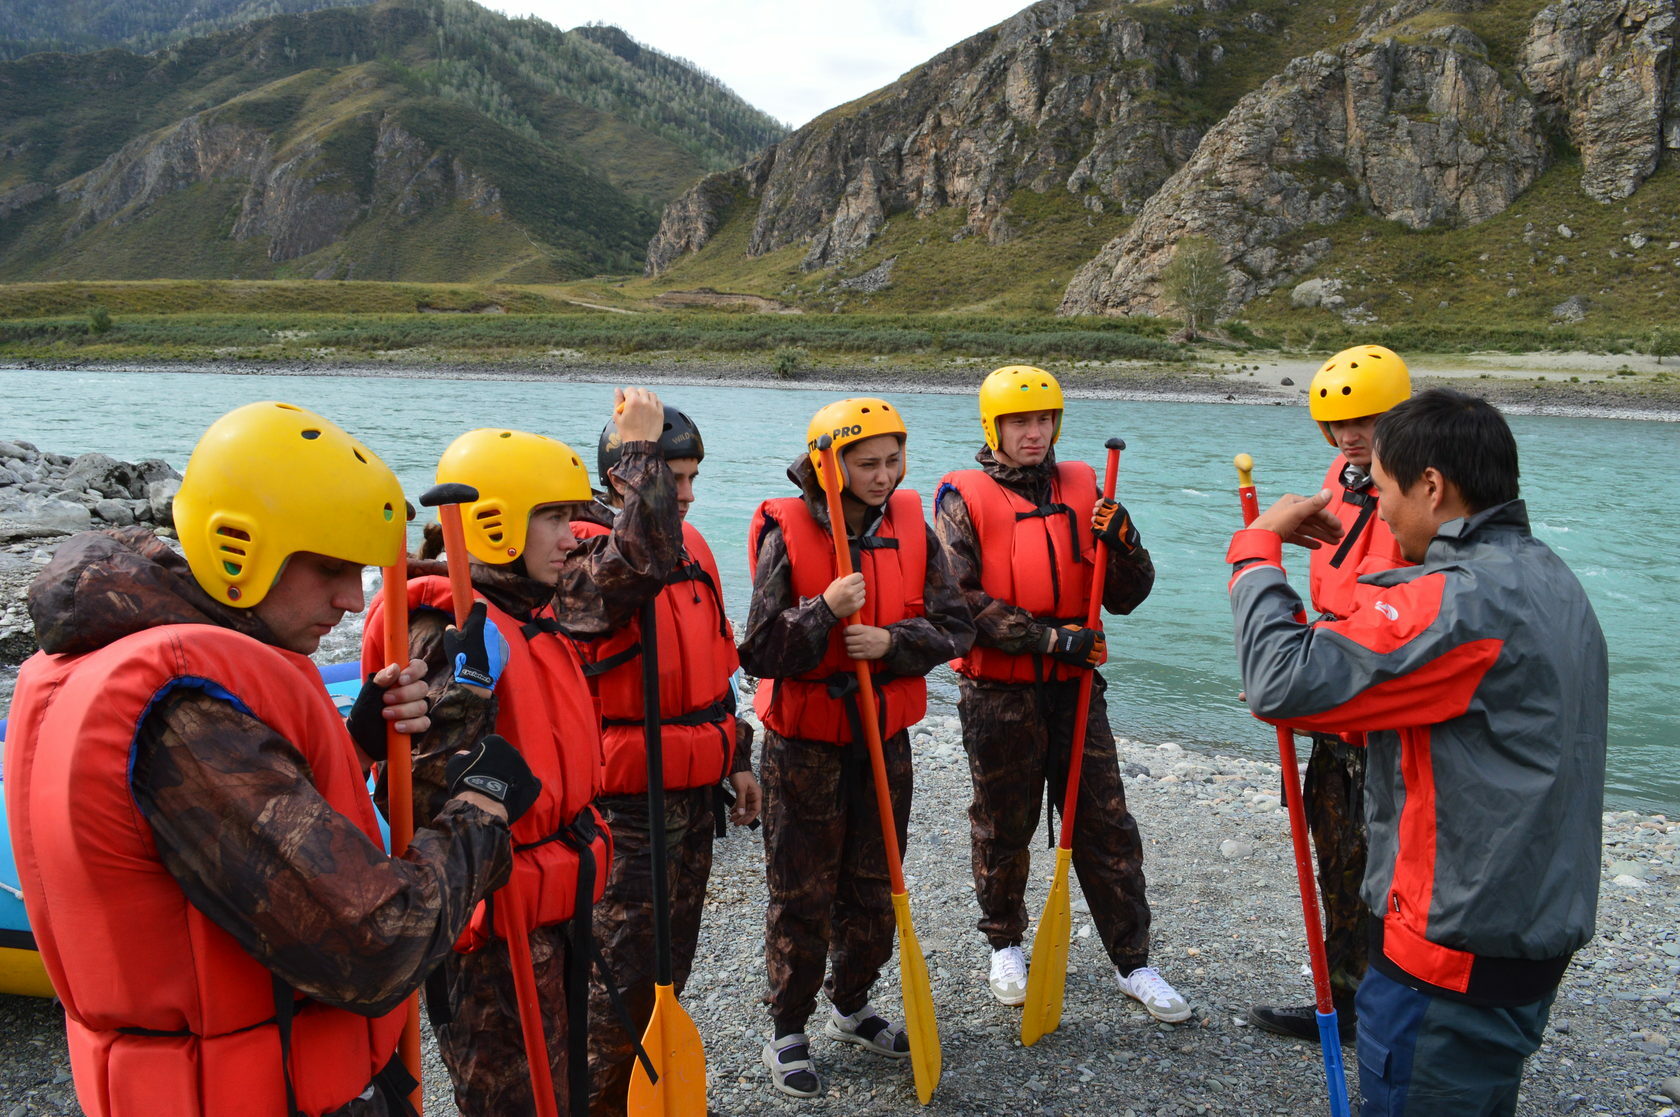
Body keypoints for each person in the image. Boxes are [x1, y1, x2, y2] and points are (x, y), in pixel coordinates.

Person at [5, 401, 535, 1117]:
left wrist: (357, 741)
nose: (354, 600)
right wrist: (482, 808)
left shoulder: (138, 656)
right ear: (238, 548)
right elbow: (376, 943)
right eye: (329, 569)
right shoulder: (187, 718)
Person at [1228, 388, 1607, 1116]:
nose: (1378, 508)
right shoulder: (1550, 578)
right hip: (1523, 924)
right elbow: (1480, 719)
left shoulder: (1461, 597)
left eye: (1385, 489)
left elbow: (1277, 680)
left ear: (1432, 486)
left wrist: (1255, 550)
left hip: (1449, 944)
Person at [362, 388, 682, 1117]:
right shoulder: (444, 631)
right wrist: (460, 712)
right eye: (551, 517)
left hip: (552, 904)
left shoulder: (531, 603)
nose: (573, 534)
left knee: (560, 1091)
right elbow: (413, 793)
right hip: (491, 927)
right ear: (493, 523)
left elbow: (639, 560)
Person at [932, 365, 1188, 1022]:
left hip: (1076, 693)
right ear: (994, 427)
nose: (1034, 432)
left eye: (1044, 419)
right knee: (1003, 824)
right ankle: (1006, 944)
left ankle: (1134, 959)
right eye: (1020, 421)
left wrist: (1124, 542)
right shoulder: (960, 498)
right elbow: (960, 602)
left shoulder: (1083, 487)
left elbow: (1127, 596)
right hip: (998, 696)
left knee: (1107, 825)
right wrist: (1052, 640)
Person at [740, 397, 973, 1099]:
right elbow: (758, 648)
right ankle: (788, 1026)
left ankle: (851, 1003)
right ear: (827, 463)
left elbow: (956, 627)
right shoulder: (786, 529)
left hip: (882, 739)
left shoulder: (912, 525)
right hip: (803, 748)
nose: (883, 475)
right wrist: (825, 612)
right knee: (802, 892)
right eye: (866, 463)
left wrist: (892, 644)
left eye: (892, 460)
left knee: (874, 886)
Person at [574, 405, 762, 1117]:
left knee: (668, 967)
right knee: (616, 980)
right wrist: (640, 451)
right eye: (670, 477)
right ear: (628, 477)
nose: (685, 494)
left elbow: (715, 670)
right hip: (626, 808)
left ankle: (644, 1095)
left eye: (690, 478)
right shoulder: (590, 554)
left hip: (690, 795)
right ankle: (596, 1101)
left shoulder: (695, 551)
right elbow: (617, 586)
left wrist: (737, 756)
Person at [1247, 345, 1412, 1043]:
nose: (1350, 434)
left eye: (1365, 419)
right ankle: (1343, 999)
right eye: (1338, 422)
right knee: (1338, 858)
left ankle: (1392, 1002)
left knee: (1390, 867)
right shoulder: (1340, 482)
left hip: (1385, 717)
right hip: (1333, 711)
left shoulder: (1420, 493)